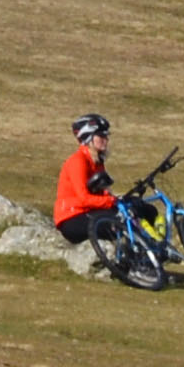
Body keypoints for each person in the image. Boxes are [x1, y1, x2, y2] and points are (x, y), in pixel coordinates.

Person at [50, 113, 148, 278]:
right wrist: (110, 201)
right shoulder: (78, 161)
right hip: (71, 218)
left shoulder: (97, 162)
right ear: (89, 138)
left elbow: (102, 192)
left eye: (106, 136)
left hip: (86, 211)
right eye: (101, 136)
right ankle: (130, 267)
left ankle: (146, 258)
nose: (105, 139)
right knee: (116, 223)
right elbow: (83, 198)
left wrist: (116, 199)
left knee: (130, 212)